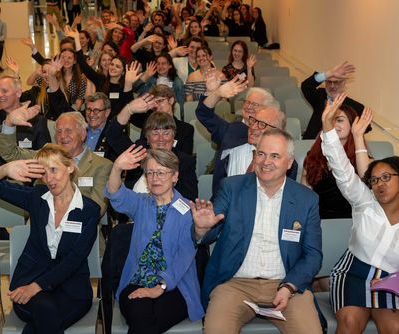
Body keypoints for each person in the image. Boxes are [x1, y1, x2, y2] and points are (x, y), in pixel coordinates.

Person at [191, 129, 323, 334]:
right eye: (260, 154)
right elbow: (209, 233)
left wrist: (289, 287)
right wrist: (201, 228)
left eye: (275, 156)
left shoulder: (306, 200)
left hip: (286, 284)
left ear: (289, 163)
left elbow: (313, 255)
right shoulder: (232, 188)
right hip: (235, 284)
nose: (265, 161)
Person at [321, 93, 399, 334]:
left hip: (391, 281)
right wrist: (327, 127)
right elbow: (342, 169)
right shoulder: (365, 202)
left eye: (387, 178)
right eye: (374, 180)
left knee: (397, 327)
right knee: (350, 323)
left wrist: (397, 280)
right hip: (352, 272)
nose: (380, 184)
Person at [0, 144, 99, 334]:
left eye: (54, 170)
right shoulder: (36, 197)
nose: (49, 179)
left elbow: (74, 260)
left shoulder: (89, 211)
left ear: (70, 167)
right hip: (29, 279)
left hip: (71, 289)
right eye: (44, 173)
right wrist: (5, 169)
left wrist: (37, 287)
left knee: (38, 325)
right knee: (46, 311)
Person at [105, 147, 204, 333]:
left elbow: (185, 255)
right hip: (137, 280)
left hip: (177, 286)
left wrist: (160, 287)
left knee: (144, 323)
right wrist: (117, 167)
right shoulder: (142, 203)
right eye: (150, 173)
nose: (155, 178)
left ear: (175, 176)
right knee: (141, 314)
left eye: (161, 172)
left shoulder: (189, 211)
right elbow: (115, 195)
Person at [0, 110, 113, 217]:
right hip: (42, 223)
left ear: (82, 134)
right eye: (59, 131)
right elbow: (10, 153)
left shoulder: (101, 165)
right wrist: (9, 124)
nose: (62, 136)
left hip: (79, 229)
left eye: (68, 131)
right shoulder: (45, 157)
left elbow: (97, 210)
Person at [196, 77, 296, 196]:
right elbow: (204, 114)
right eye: (247, 102)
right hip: (226, 205)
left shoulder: (284, 160)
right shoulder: (234, 131)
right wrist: (217, 94)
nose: (254, 127)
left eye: (255, 104)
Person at [106, 97, 198, 201]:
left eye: (166, 133)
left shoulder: (184, 162)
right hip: (133, 213)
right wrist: (129, 109)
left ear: (173, 137)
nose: (161, 139)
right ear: (148, 138)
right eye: (155, 133)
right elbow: (112, 135)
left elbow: (190, 199)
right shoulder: (138, 155)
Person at [302, 104, 372, 219]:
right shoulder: (313, 156)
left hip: (354, 221)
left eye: (339, 120)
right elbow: (305, 195)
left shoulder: (362, 157)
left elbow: (368, 179)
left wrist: (358, 136)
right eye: (330, 121)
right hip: (320, 220)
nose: (334, 125)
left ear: (352, 125)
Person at [301, 61, 368, 139]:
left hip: (340, 146)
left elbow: (364, 129)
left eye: (336, 82)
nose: (332, 86)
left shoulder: (357, 107)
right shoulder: (320, 96)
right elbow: (306, 86)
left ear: (344, 83)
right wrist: (328, 74)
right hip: (312, 144)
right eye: (329, 82)